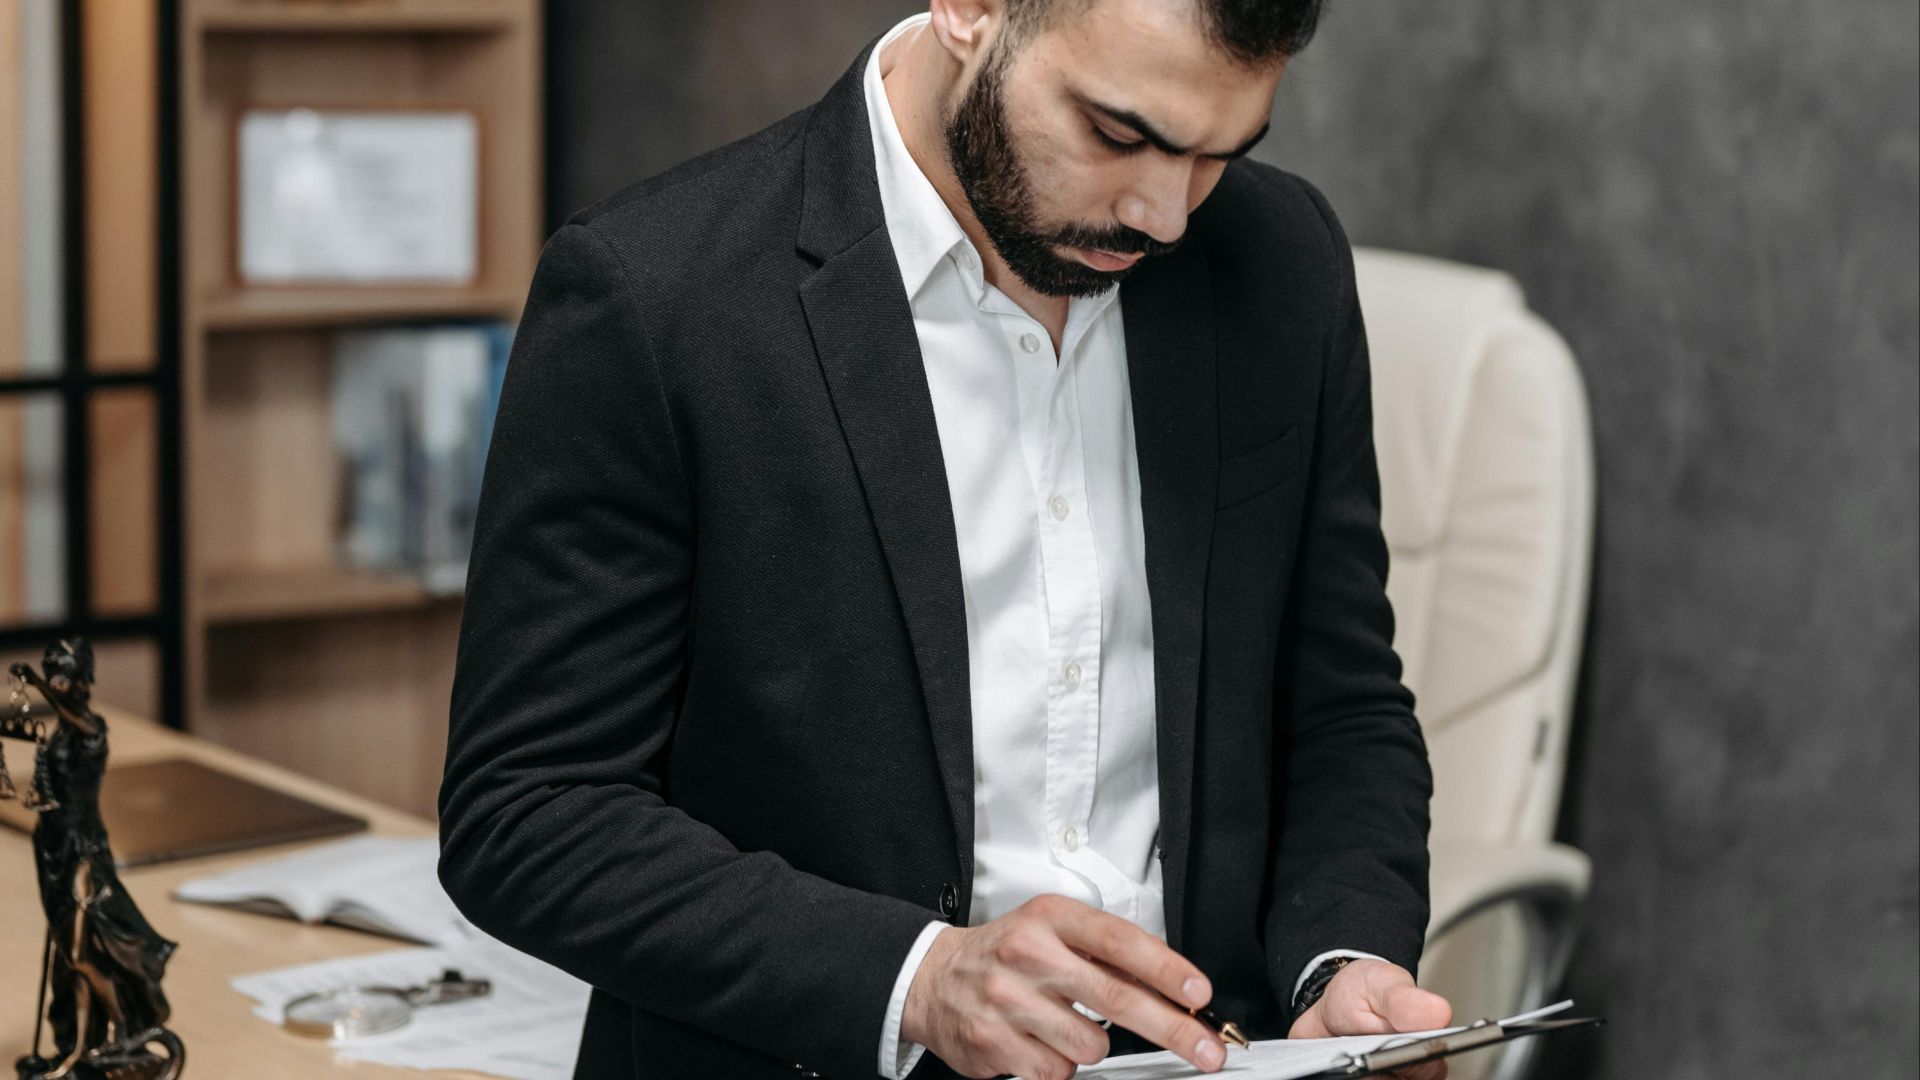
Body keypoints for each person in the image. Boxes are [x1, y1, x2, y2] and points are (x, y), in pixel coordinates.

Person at [438, 2, 1451, 1077]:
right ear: (971, 10)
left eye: (1217, 155)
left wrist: (1341, 962)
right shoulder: (654, 292)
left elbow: (1342, 704)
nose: (1164, 214)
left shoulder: (1283, 261)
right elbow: (528, 809)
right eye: (1119, 134)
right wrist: (914, 979)